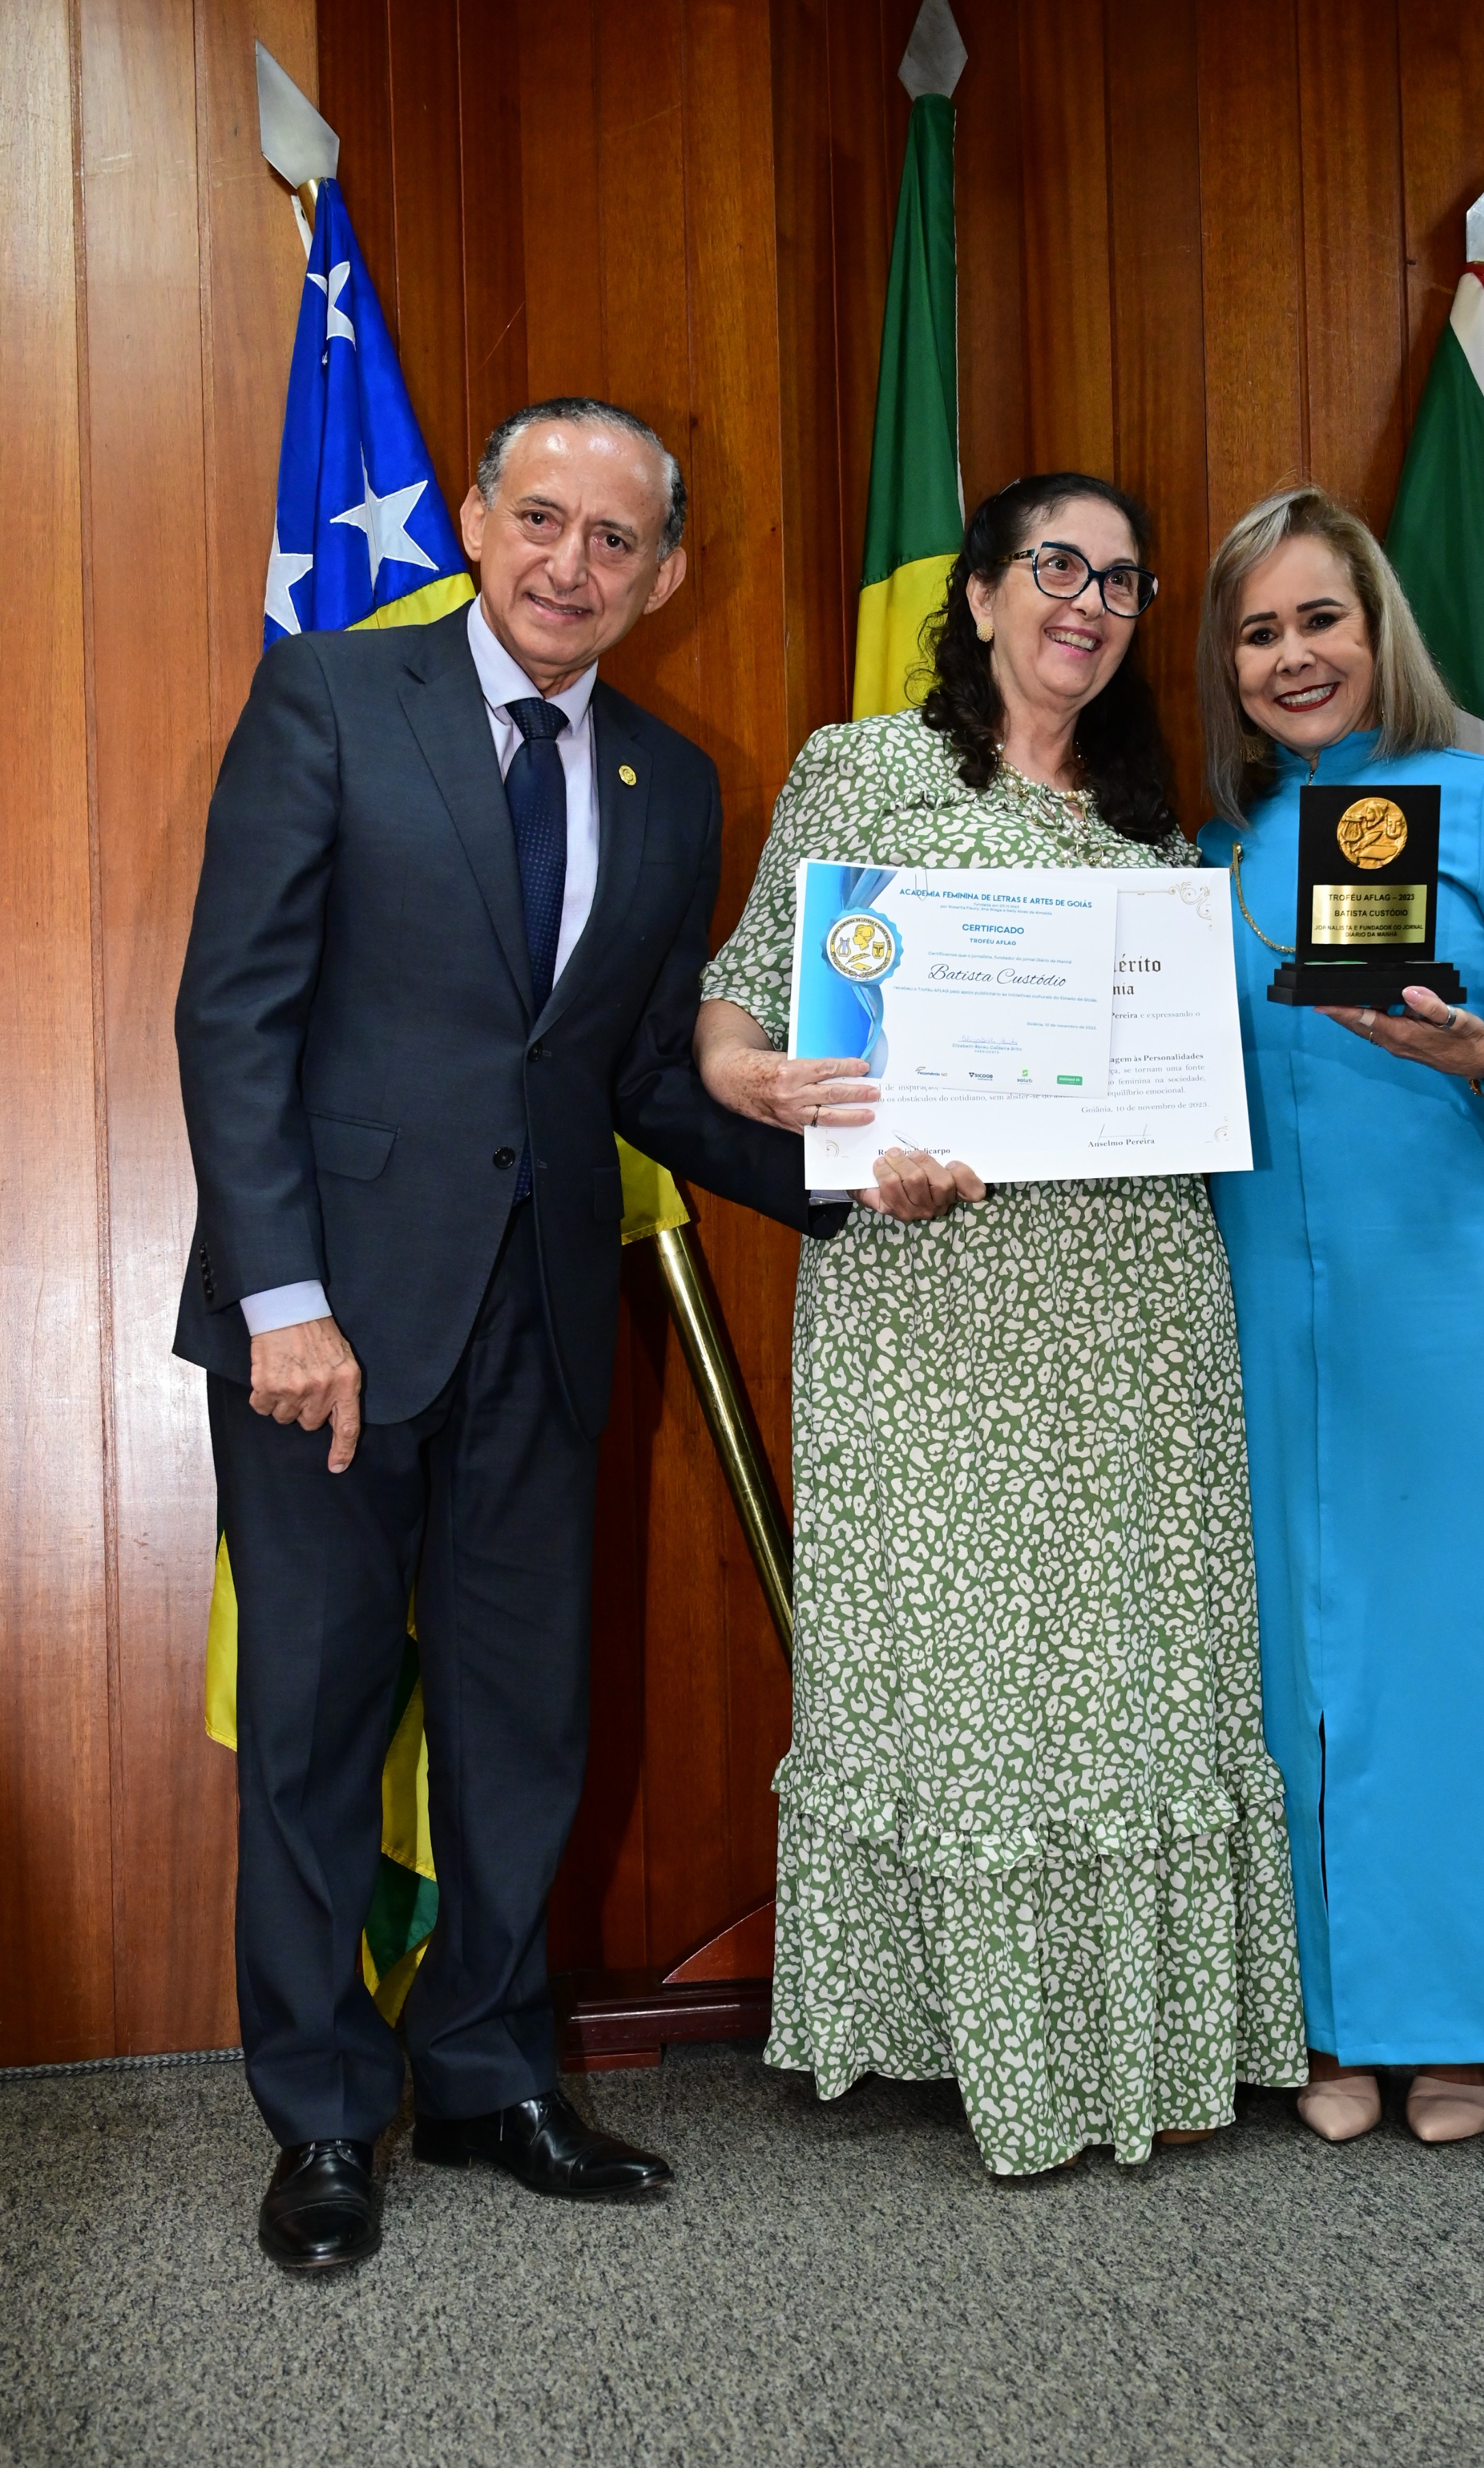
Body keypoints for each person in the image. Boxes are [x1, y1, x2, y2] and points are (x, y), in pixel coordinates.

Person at [175, 396, 961, 2272]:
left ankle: (487, 2074)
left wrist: (846, 1174)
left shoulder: (670, 782)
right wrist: (282, 1299)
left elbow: (637, 1080)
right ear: (473, 519)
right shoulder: (328, 701)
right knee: (313, 1725)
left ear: (663, 574)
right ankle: (322, 2115)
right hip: (329, 1326)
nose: (570, 565)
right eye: (540, 520)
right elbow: (236, 1013)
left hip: (542, 1318)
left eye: (615, 540)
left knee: (524, 1722)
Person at [693, 473, 1307, 2179]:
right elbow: (738, 999)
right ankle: (971, 2034)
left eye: (1122, 580)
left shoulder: (1162, 824)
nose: (1089, 603)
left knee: (1130, 1656)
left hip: (1134, 1296)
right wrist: (761, 1084)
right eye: (1057, 565)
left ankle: (1151, 2034)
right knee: (956, 1663)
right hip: (925, 1294)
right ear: (978, 594)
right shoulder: (860, 768)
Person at [1196, 484, 1484, 2145]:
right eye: (1258, 632)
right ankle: (1327, 2019)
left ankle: (1464, 2022)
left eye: (1320, 618)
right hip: (1255, 1315)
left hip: (1454, 1309)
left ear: (1378, 624)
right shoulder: (1203, 850)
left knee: (1465, 1661)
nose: (1293, 656)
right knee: (1289, 1664)